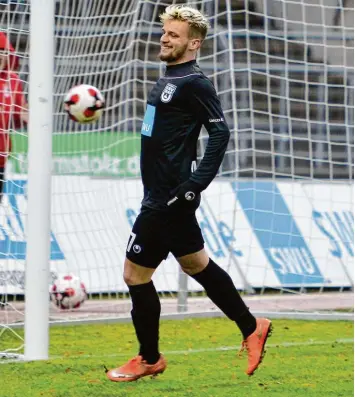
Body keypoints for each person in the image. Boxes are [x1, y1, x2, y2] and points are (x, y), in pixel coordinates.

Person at [106, 5, 272, 382]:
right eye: (165, 32)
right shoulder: (169, 78)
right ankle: (252, 326)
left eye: (174, 35)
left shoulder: (194, 83)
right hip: (163, 195)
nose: (165, 38)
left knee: (135, 275)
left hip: (168, 199)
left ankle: (149, 358)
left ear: (193, 43)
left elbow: (220, 133)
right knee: (196, 265)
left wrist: (194, 186)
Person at [0, 32, 28, 308]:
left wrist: (32, 116)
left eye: (4, 51)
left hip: (0, 161)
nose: (2, 56)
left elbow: (21, 116)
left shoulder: (13, 82)